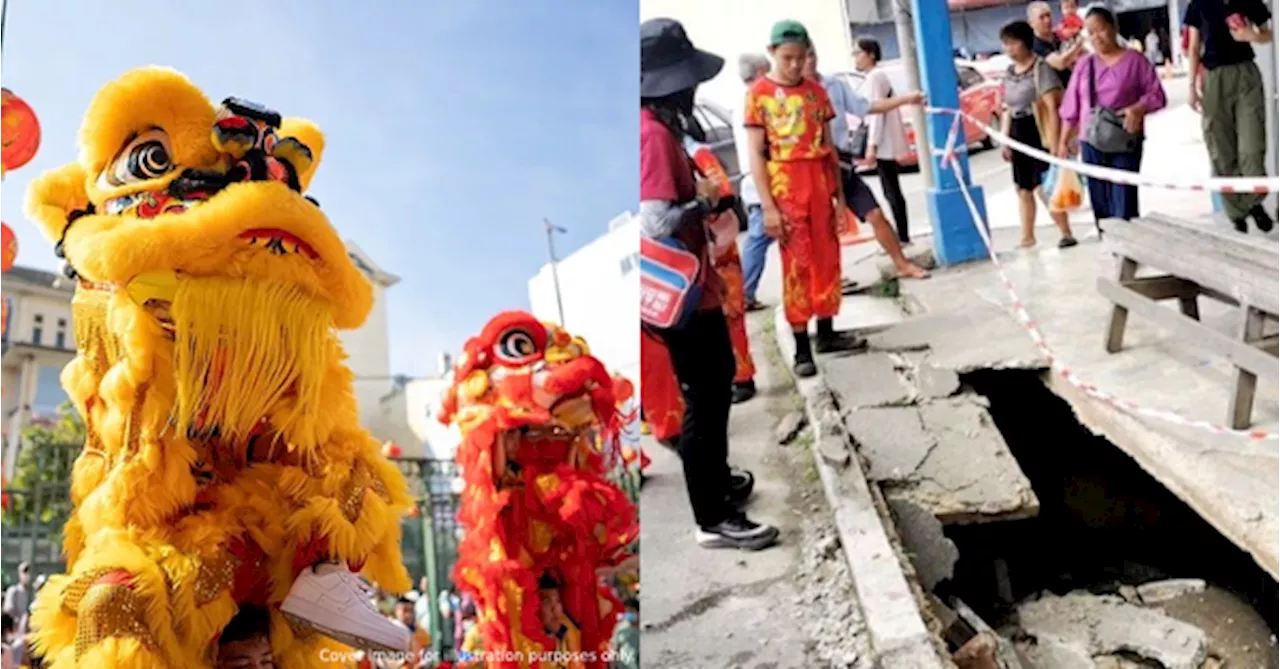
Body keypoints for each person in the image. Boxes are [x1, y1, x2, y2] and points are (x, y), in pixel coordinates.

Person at [640, 17, 779, 549]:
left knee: (715, 385)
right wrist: (705, 200)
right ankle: (712, 516)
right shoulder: (652, 135)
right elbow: (655, 220)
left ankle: (718, 484)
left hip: (694, 291)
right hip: (684, 296)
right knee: (706, 397)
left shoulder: (659, 128)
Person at [800, 43, 930, 287]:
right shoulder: (790, 94)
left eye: (810, 55)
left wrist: (906, 99)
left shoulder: (833, 85)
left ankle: (901, 263)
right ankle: (829, 279)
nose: (806, 62)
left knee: (875, 213)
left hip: (841, 163)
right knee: (820, 226)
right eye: (799, 57)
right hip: (810, 167)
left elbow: (866, 106)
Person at [1057, 6, 1167, 226]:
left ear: (1114, 28)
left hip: (1124, 139)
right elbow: (1072, 106)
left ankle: (1127, 248)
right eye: (1090, 32)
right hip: (1091, 140)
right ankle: (1108, 242)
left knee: (1124, 196)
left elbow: (1157, 95)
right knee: (1099, 198)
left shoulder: (1136, 61)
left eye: (1101, 29)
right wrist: (1063, 141)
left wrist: (1138, 108)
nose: (1096, 37)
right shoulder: (1084, 65)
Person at [1185, 0, 1274, 233]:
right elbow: (1194, 47)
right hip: (1213, 77)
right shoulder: (1198, 5)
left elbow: (1269, 34)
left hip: (1245, 74)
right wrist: (1191, 87)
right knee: (1221, 149)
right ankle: (1237, 213)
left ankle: (1254, 202)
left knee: (1252, 147)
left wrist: (1251, 36)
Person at [999, 20, 1078, 249]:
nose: (1008, 49)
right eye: (1006, 44)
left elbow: (1052, 108)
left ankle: (1065, 231)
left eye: (1012, 44)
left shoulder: (1040, 69)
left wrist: (1055, 144)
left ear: (1025, 43)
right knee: (1023, 187)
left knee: (1044, 185)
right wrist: (1005, 138)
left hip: (1038, 130)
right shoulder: (1009, 72)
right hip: (1017, 131)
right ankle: (1027, 236)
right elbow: (1006, 107)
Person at [852, 36, 913, 245]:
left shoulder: (876, 77)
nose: (856, 58)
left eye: (858, 53)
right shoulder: (873, 77)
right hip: (885, 141)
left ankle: (902, 235)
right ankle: (902, 234)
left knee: (891, 189)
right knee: (891, 188)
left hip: (884, 142)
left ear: (870, 55)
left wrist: (872, 145)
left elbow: (876, 112)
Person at [734, 53, 773, 313]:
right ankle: (743, 293)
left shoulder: (742, 101)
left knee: (759, 238)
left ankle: (744, 292)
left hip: (753, 179)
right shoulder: (756, 100)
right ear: (760, 72)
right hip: (762, 179)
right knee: (758, 237)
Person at [1029, 1, 1083, 87]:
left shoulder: (1059, 35)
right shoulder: (1035, 45)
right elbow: (1060, 63)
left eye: (1048, 15)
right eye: (1041, 17)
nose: (1047, 20)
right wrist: (1079, 45)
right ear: (1031, 23)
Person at [608, 598, 639, 669]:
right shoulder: (621, 627)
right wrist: (613, 664)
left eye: (631, 611)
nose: (629, 614)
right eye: (627, 611)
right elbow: (614, 646)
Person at [1, 564, 28, 638]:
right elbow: (8, 611)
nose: (27, 575)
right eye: (24, 572)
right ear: (19, 573)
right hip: (15, 633)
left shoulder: (33, 592)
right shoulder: (14, 591)